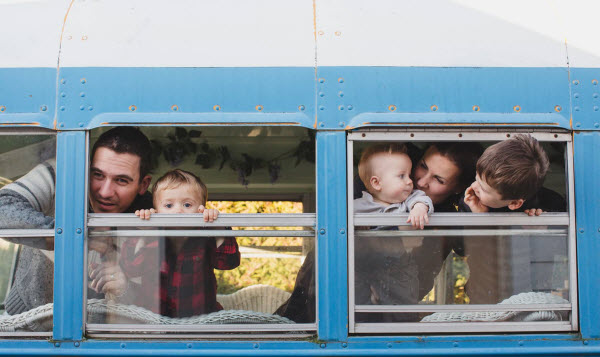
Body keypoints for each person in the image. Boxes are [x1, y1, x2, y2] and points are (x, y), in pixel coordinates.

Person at [276, 141, 483, 322]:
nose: (419, 182)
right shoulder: (386, 177)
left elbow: (463, 248)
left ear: (458, 189)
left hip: (397, 303)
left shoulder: (449, 212)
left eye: (439, 179)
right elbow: (341, 228)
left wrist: (475, 214)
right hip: (333, 293)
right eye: (423, 166)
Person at [0, 126, 154, 315]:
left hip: (104, 338)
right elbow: (3, 208)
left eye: (121, 180)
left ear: (143, 184)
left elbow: (162, 302)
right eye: (97, 174)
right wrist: (74, 237)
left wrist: (125, 289)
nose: (105, 192)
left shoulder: (153, 216)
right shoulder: (62, 175)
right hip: (24, 320)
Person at [104, 169, 240, 317]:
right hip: (154, 321)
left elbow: (229, 262)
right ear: (156, 210)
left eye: (187, 205)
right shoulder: (151, 236)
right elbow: (130, 268)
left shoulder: (206, 236)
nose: (178, 211)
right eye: (169, 206)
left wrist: (218, 227)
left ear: (201, 210)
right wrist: (144, 232)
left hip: (199, 321)